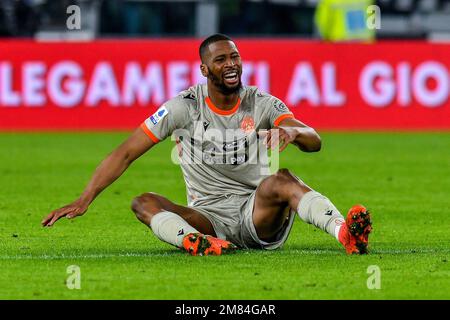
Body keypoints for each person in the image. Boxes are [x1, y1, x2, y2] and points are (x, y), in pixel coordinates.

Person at [42, 34, 372, 256]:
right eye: (221, 60)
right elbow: (126, 151)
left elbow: (314, 140)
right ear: (204, 69)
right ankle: (198, 243)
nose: (231, 64)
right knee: (143, 203)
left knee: (282, 179)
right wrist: (85, 198)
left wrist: (292, 134)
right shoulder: (183, 107)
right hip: (206, 217)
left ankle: (345, 233)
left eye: (235, 57)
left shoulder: (262, 103)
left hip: (256, 213)